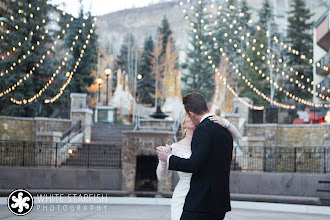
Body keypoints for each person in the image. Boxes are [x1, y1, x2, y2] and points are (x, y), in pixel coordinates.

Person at [157, 93, 240, 220]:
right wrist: (227, 124)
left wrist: (168, 158)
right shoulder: (224, 130)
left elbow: (194, 164)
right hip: (217, 202)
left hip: (199, 202)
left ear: (192, 114)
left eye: (188, 115)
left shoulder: (202, 130)